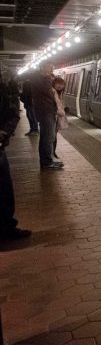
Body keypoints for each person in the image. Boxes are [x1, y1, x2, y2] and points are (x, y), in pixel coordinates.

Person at [0, 75, 31, 240]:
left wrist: (5, 132)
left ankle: (6, 227)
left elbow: (12, 114)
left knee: (4, 191)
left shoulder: (3, 92)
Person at [31, 62, 63, 169]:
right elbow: (47, 91)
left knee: (47, 137)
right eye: (50, 69)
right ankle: (47, 163)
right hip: (45, 111)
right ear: (43, 68)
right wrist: (49, 79)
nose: (51, 71)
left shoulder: (42, 78)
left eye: (52, 69)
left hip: (47, 110)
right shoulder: (38, 79)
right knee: (48, 138)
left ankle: (47, 161)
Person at [52, 76, 68, 159]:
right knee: (52, 137)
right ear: (54, 84)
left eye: (62, 84)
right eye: (58, 84)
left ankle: (53, 153)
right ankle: (51, 154)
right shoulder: (53, 92)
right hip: (53, 117)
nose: (60, 86)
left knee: (54, 136)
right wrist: (61, 112)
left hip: (56, 117)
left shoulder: (59, 93)